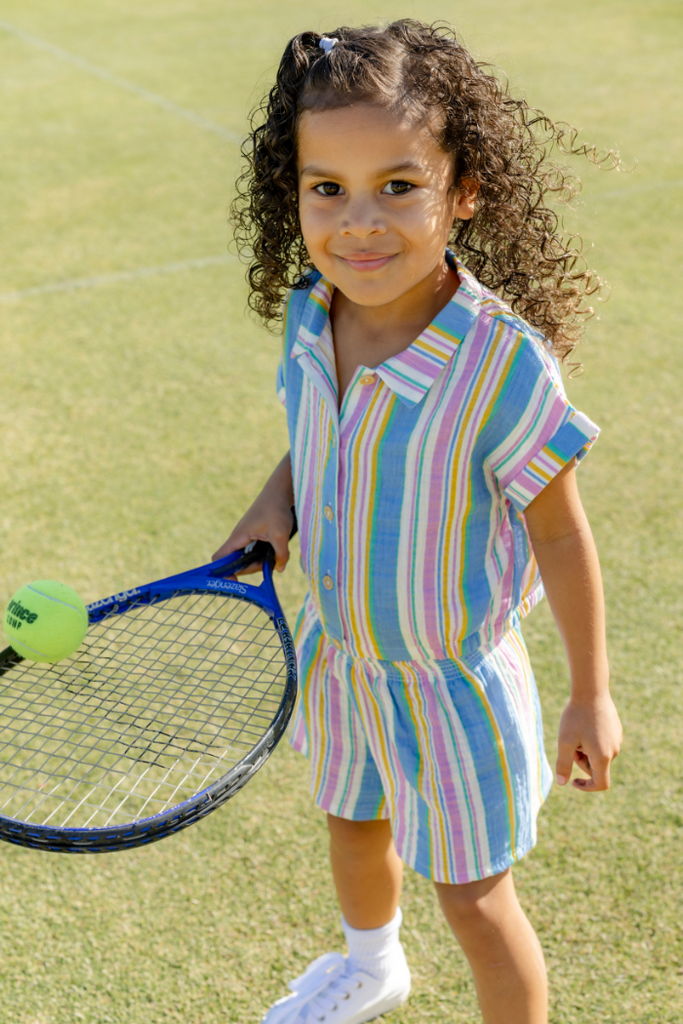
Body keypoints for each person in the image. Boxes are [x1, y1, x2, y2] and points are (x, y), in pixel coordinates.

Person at [214, 20, 622, 1024]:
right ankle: (369, 964)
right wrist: (271, 512)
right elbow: (319, 444)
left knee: (474, 899)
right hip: (345, 656)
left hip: (452, 686)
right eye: (327, 187)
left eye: (398, 186)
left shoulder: (500, 363)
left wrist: (590, 694)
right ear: (295, 193)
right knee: (350, 817)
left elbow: (560, 532)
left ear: (463, 190)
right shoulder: (315, 313)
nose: (359, 222)